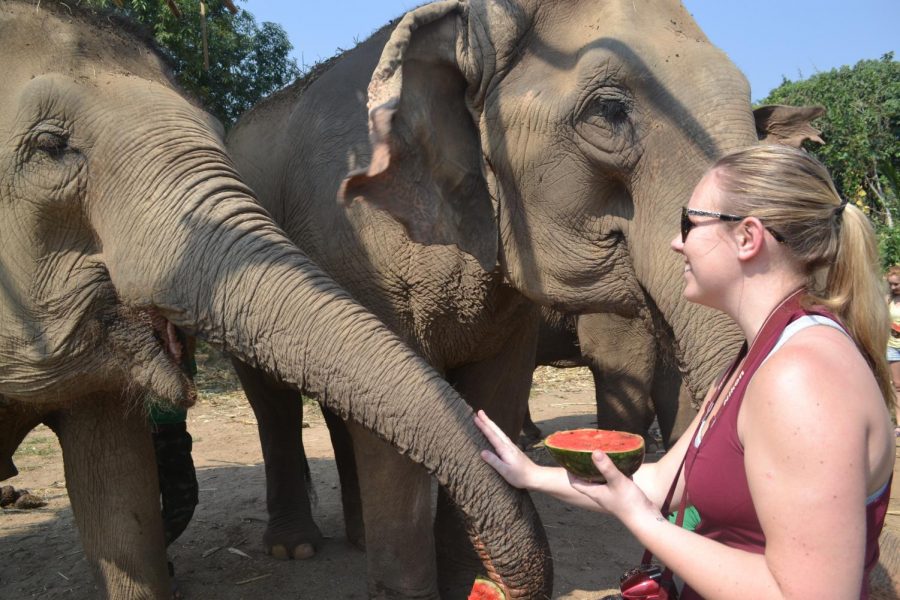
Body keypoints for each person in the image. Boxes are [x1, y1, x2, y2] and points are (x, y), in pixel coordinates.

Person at [475, 145, 895, 599]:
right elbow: (658, 485)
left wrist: (645, 524)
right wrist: (532, 474)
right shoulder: (756, 357)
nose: (677, 242)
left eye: (688, 223)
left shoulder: (801, 376)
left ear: (747, 237)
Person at [886, 265, 900, 436]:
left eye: (896, 284)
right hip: (892, 347)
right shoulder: (888, 300)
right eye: (890, 284)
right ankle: (899, 422)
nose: (893, 288)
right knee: (897, 386)